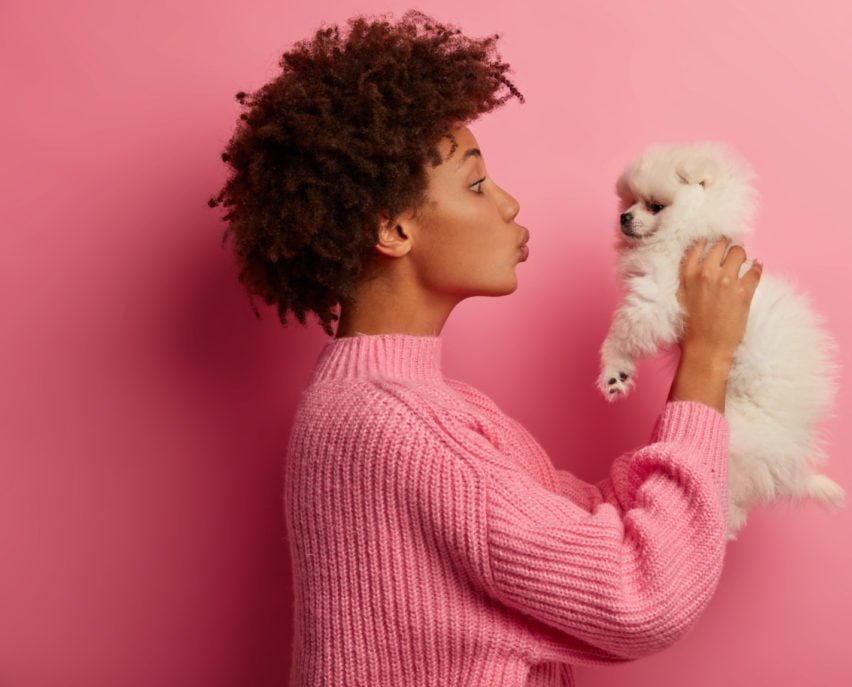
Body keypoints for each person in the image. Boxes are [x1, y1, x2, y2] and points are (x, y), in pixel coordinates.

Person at [209, 9, 762, 687]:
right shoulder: (404, 426)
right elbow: (643, 594)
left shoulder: (378, 407)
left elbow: (588, 520)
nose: (506, 203)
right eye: (475, 184)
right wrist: (706, 358)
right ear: (393, 229)